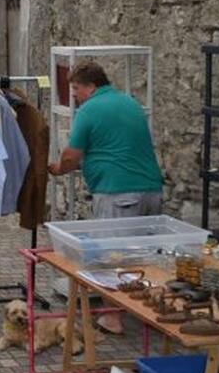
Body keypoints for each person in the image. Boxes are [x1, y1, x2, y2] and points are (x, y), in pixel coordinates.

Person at [49, 60, 163, 335]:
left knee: (114, 257)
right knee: (144, 256)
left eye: (75, 88)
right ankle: (146, 310)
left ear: (90, 86)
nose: (74, 95)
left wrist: (57, 169)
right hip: (151, 189)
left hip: (118, 192)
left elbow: (71, 155)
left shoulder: (89, 111)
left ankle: (113, 318)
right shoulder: (130, 103)